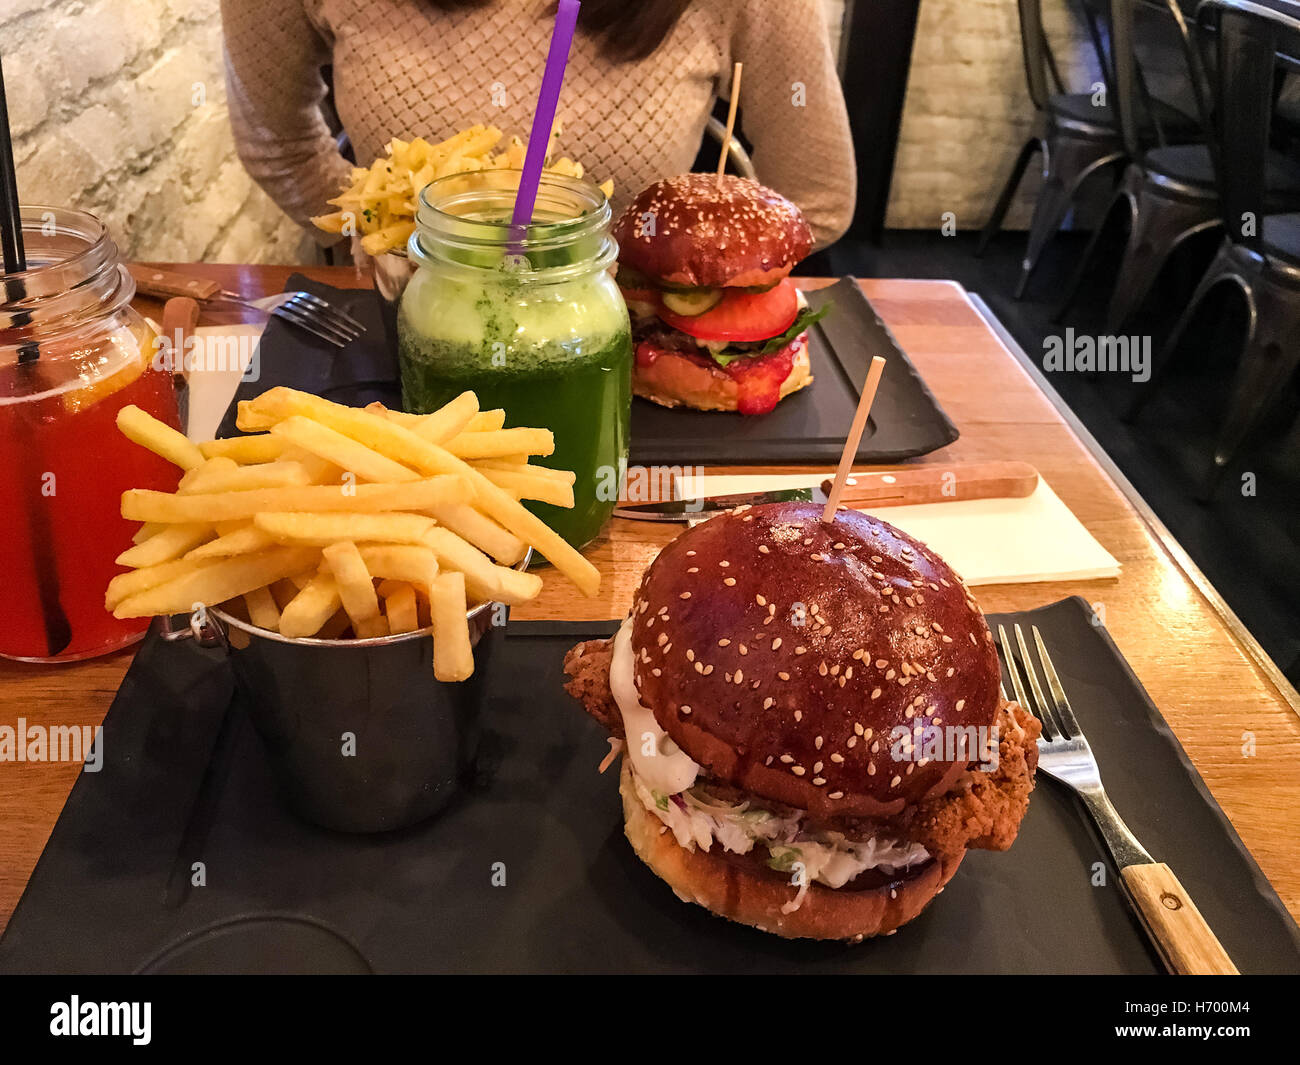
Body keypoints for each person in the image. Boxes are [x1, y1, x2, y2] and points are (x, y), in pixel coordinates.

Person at [220, 0, 856, 248]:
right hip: (395, 342)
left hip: (630, 350)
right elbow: (281, 146)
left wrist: (665, 291)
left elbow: (817, 200)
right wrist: (380, 244)